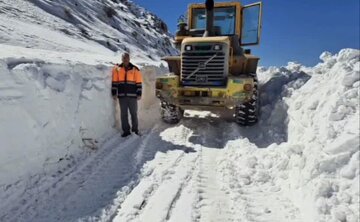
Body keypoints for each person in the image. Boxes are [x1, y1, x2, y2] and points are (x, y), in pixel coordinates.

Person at [111, 53, 142, 137]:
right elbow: (114, 82)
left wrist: (139, 93)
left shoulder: (135, 69)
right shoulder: (118, 69)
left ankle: (135, 130)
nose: (125, 59)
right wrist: (114, 93)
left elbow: (138, 83)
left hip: (133, 96)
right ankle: (126, 131)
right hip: (122, 96)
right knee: (123, 114)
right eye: (124, 58)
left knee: (133, 114)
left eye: (127, 58)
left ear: (129, 59)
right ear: (122, 59)